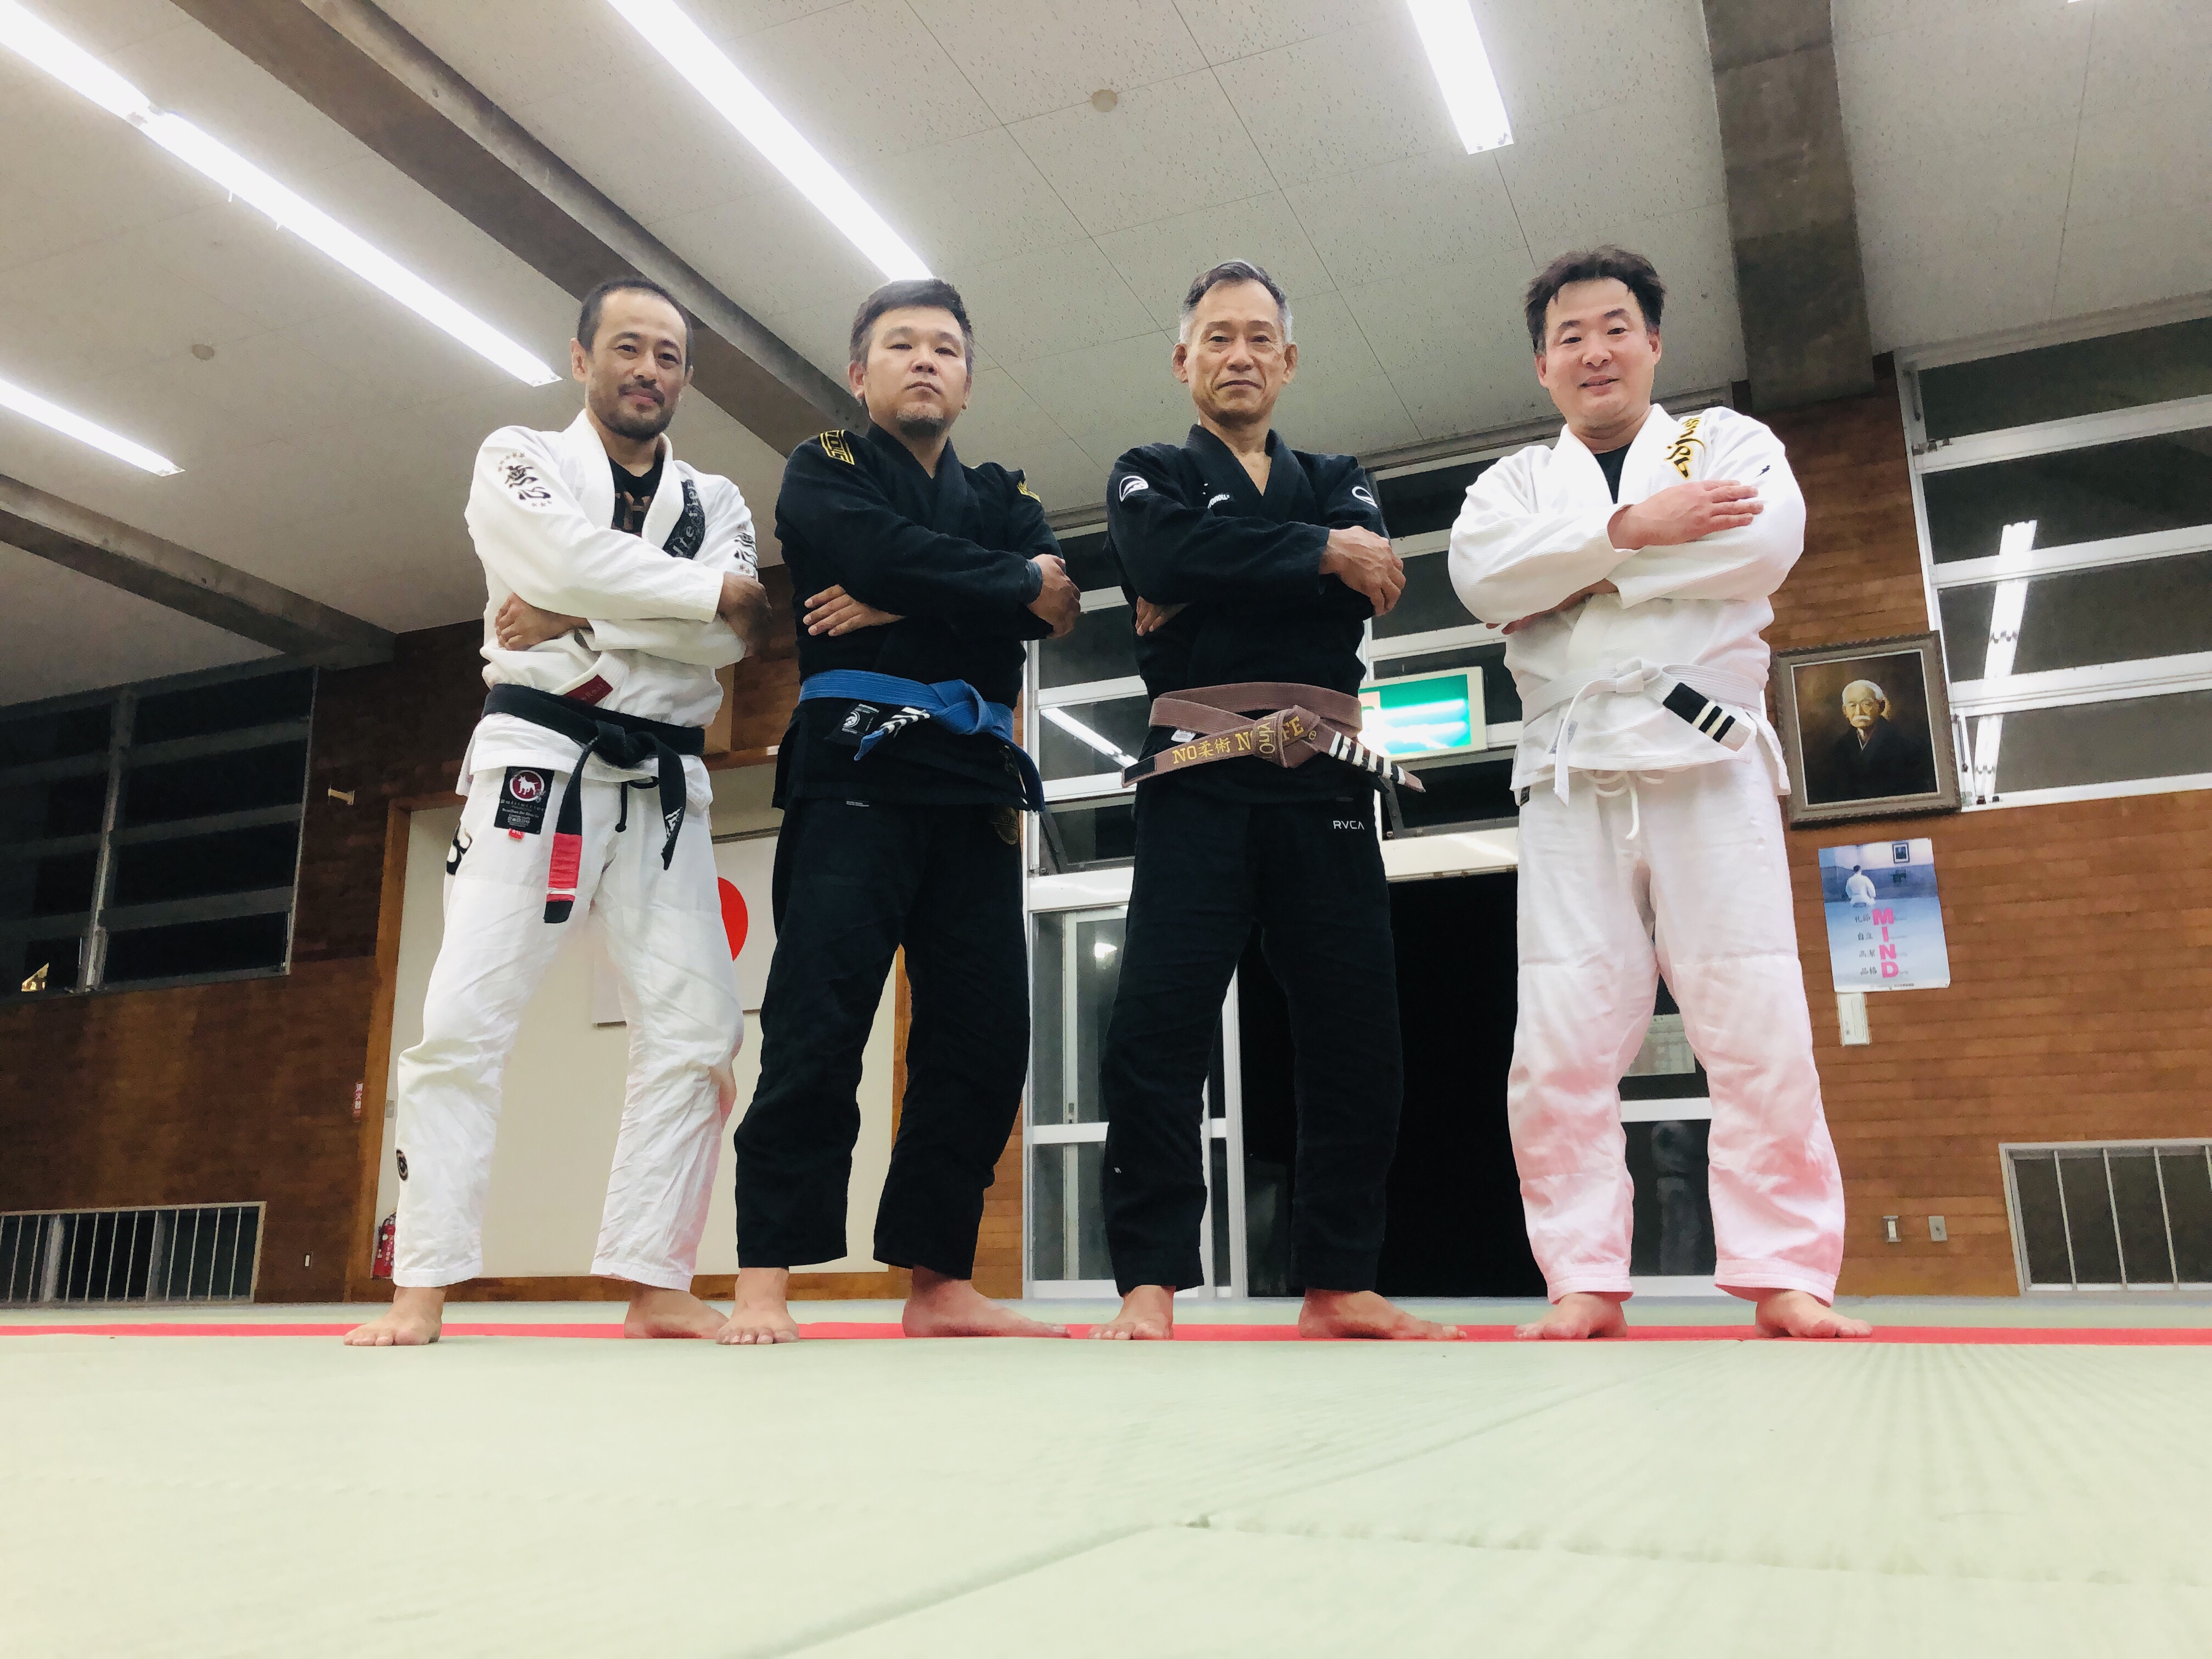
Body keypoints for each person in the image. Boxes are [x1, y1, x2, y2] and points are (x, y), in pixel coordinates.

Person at [1448, 245, 1870, 1341]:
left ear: (1652, 343)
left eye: (1614, 328)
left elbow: (1761, 546)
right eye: (1570, 336)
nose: (1594, 351)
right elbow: (1483, 579)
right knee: (1562, 1034)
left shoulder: (1727, 443)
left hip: (1709, 761)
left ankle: (1785, 1270)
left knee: (1756, 1016)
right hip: (1568, 773)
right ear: (1542, 365)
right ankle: (1582, 1274)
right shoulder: (1512, 484)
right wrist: (1636, 532)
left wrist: (1569, 579)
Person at [346, 276, 771, 1347]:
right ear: (582, 358)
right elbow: (571, 561)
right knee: (463, 1018)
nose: (647, 369)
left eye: (668, 355)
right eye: (628, 347)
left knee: (700, 1031)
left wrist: (579, 613)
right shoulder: (519, 458)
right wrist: (688, 597)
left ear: (686, 377)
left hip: (665, 782)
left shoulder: (716, 500)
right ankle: (422, 1284)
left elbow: (736, 635)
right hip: (538, 758)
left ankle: (655, 1280)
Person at [1090, 259, 1459, 1342]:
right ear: (1183, 360)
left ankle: (1339, 1282)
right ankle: (1149, 1281)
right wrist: (1317, 557)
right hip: (1195, 775)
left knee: (1356, 1031)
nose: (1239, 354)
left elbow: (1362, 586)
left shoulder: (1339, 475)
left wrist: (1212, 580)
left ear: (1288, 361)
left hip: (1324, 779)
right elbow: (1158, 548)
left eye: (1259, 338)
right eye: (1218, 337)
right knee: (1157, 1026)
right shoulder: (1149, 472)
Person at [718, 279, 1081, 1344]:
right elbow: (889, 556)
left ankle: (939, 1281)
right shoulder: (822, 466)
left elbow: (1058, 602)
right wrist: (996, 584)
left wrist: (902, 593)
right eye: (901, 345)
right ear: (859, 372)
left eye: (945, 348)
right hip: (854, 767)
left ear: (967, 380)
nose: (925, 360)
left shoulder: (1003, 492)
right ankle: (764, 1276)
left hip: (974, 783)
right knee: (817, 1018)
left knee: (982, 1032)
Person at [1817, 678, 1937, 802]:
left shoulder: (1906, 745)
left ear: (1881, 706)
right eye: (1852, 705)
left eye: (1866, 704)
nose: (1859, 712)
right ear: (1845, 711)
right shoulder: (1839, 750)